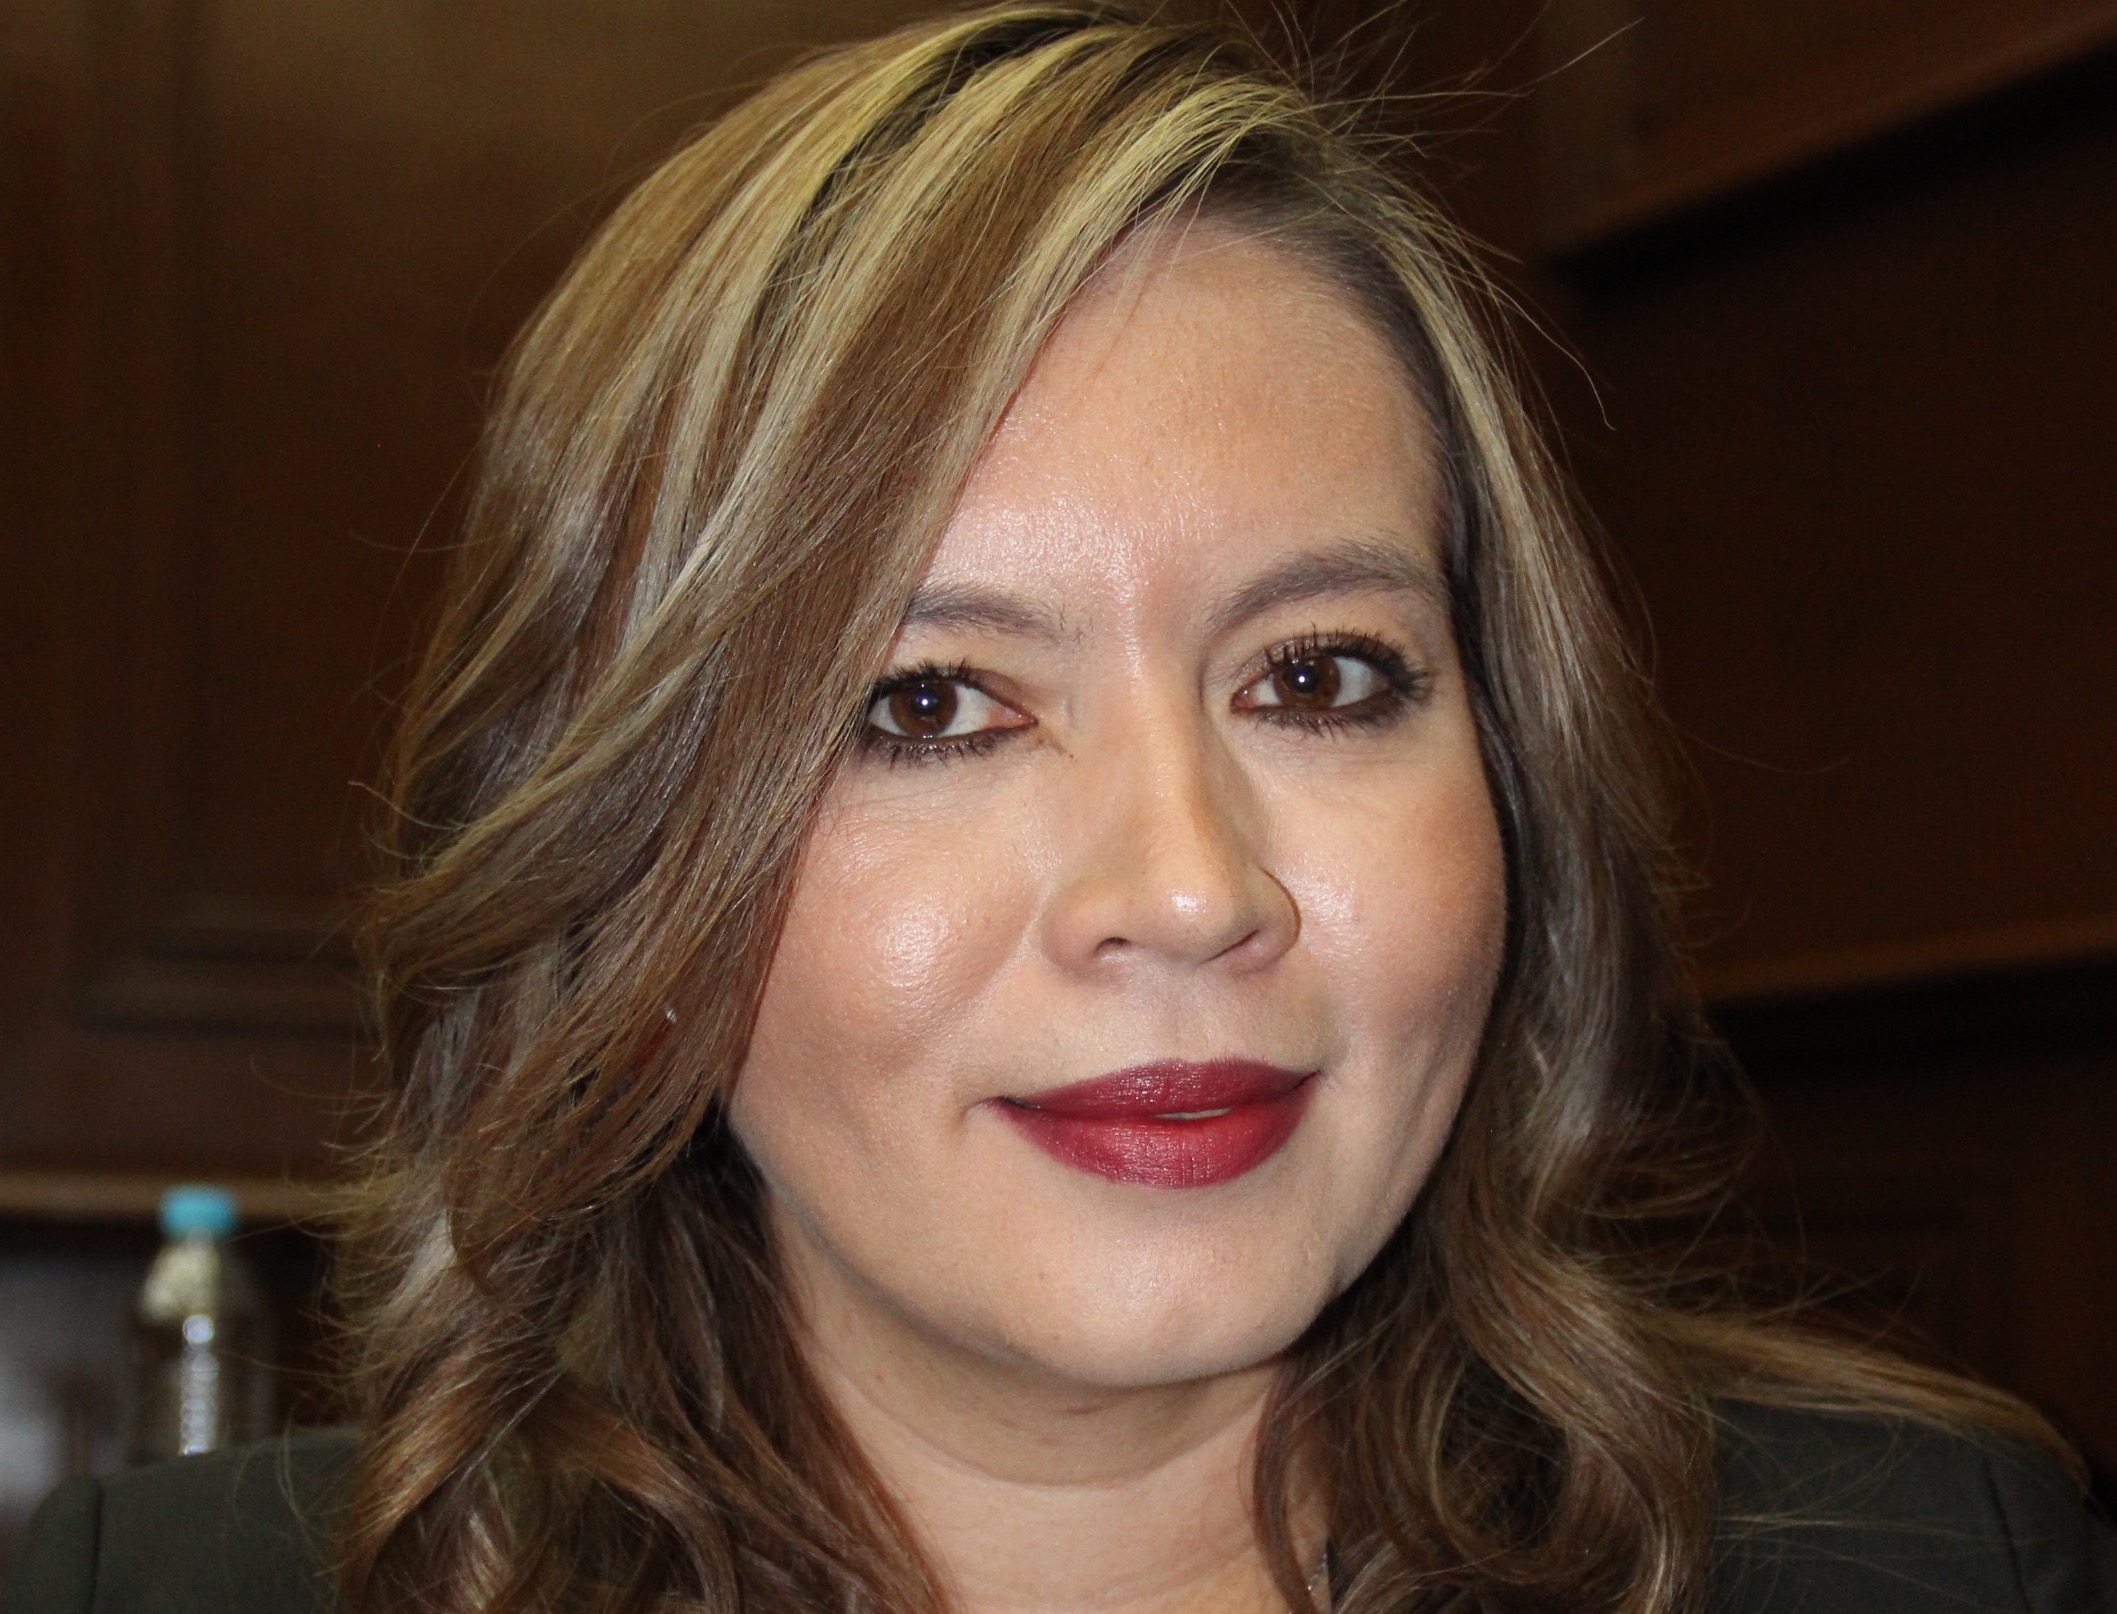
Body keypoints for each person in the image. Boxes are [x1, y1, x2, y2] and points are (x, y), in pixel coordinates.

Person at [6, 5, 2113, 1612]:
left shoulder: (1936, 1563)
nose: (1189, 891)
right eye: (929, 705)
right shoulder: (156, 1595)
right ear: (620, 844)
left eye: (1317, 677)